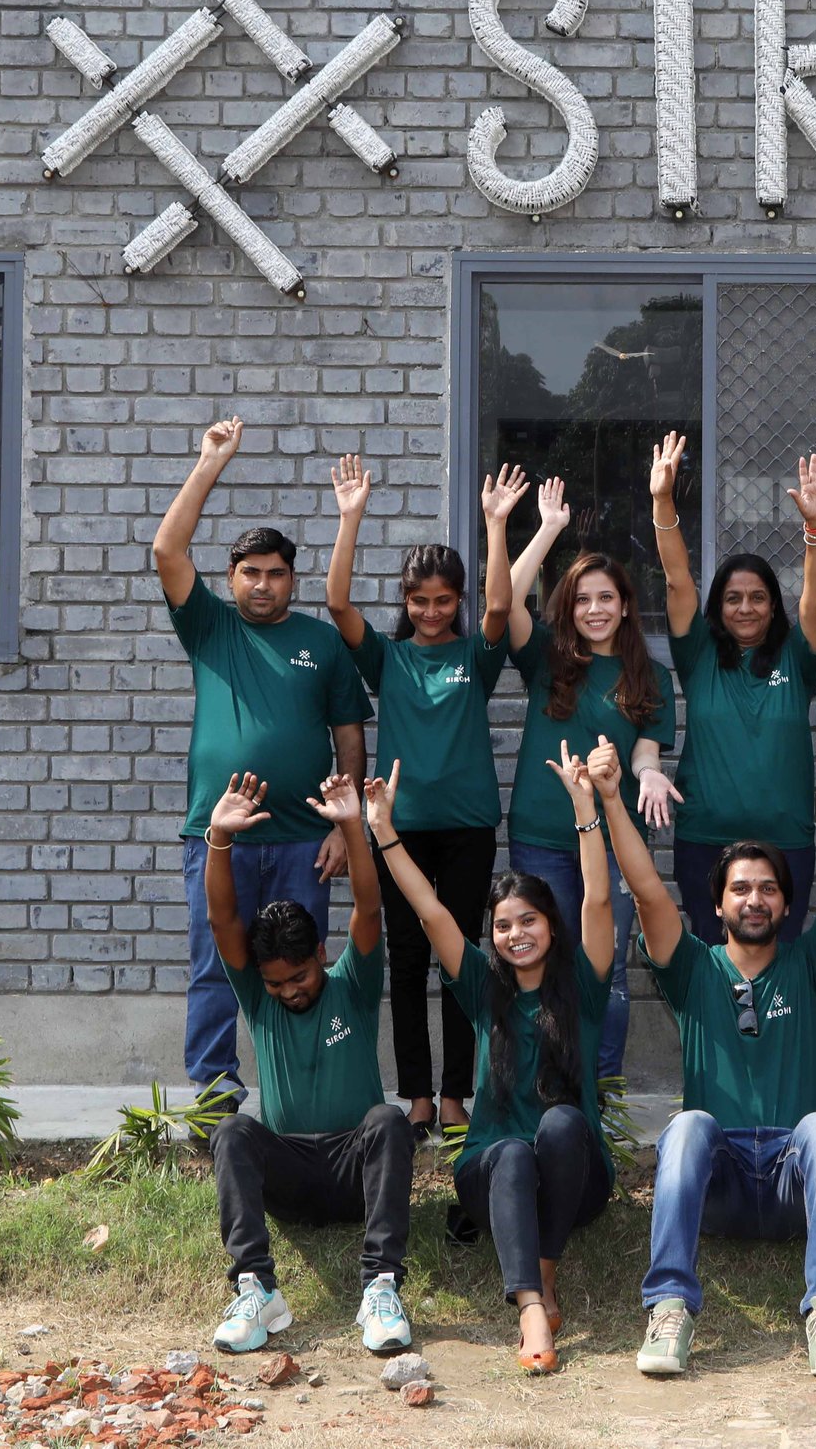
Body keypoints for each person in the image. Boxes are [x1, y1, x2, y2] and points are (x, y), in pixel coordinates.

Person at [601, 736, 816, 1379]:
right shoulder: (693, 967)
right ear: (719, 904)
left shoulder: (810, 967)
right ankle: (669, 1307)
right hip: (719, 1186)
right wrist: (613, 799)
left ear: (785, 905)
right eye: (740, 890)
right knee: (687, 1125)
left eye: (767, 890)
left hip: (793, 1184)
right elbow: (646, 893)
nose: (754, 899)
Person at [365, 750, 615, 1375]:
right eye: (503, 926)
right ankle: (532, 1303)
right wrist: (384, 833)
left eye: (528, 920)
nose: (515, 934)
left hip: (576, 1178)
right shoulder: (483, 988)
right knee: (510, 1151)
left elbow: (599, 905)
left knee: (558, 1125)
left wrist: (586, 808)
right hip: (491, 1173)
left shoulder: (582, 990)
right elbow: (430, 911)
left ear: (551, 928)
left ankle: (546, 1268)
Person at [156, 417, 371, 1106]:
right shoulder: (210, 625)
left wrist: (347, 824)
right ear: (231, 577)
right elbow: (166, 548)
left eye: (276, 574)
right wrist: (209, 462)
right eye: (250, 573)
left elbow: (349, 736)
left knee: (300, 966)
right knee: (216, 962)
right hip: (219, 833)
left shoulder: (322, 641)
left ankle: (297, 1079)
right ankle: (216, 1091)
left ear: (291, 580)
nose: (263, 584)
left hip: (304, 838)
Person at [324, 453, 511, 1141]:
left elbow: (500, 606)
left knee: (461, 955)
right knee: (405, 959)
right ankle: (419, 1098)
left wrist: (495, 524)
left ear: (456, 599)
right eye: (418, 600)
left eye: (442, 599)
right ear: (404, 602)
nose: (431, 612)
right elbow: (339, 603)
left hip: (467, 827)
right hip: (396, 831)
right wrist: (351, 518)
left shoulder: (475, 658)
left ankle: (458, 1093)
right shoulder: (389, 659)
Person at [198, 771, 415, 1358]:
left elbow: (369, 907)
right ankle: (256, 1289)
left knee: (389, 1120)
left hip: (355, 1172)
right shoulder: (260, 998)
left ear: (322, 955)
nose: (290, 991)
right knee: (232, 1129)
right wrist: (219, 838)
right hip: (290, 1171)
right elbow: (222, 923)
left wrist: (351, 825)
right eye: (277, 983)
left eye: (299, 976)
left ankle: (380, 1287)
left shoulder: (353, 985)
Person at [491, 475, 679, 1083]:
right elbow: (504, 603)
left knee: (609, 970)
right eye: (582, 600)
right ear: (568, 608)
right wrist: (546, 530)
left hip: (616, 840)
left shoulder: (651, 677)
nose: (595, 609)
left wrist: (648, 776)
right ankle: (552, 1085)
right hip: (543, 837)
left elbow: (647, 754)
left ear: (626, 604)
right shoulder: (547, 656)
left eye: (606, 598)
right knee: (544, 962)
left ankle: (603, 1089)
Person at [646, 430, 816, 943]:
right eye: (733, 598)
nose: (746, 607)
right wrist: (663, 499)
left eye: (757, 597)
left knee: (778, 972)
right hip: (705, 839)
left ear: (774, 606)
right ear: (717, 608)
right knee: (714, 967)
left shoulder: (798, 658)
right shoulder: (698, 654)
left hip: (784, 844)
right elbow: (677, 578)